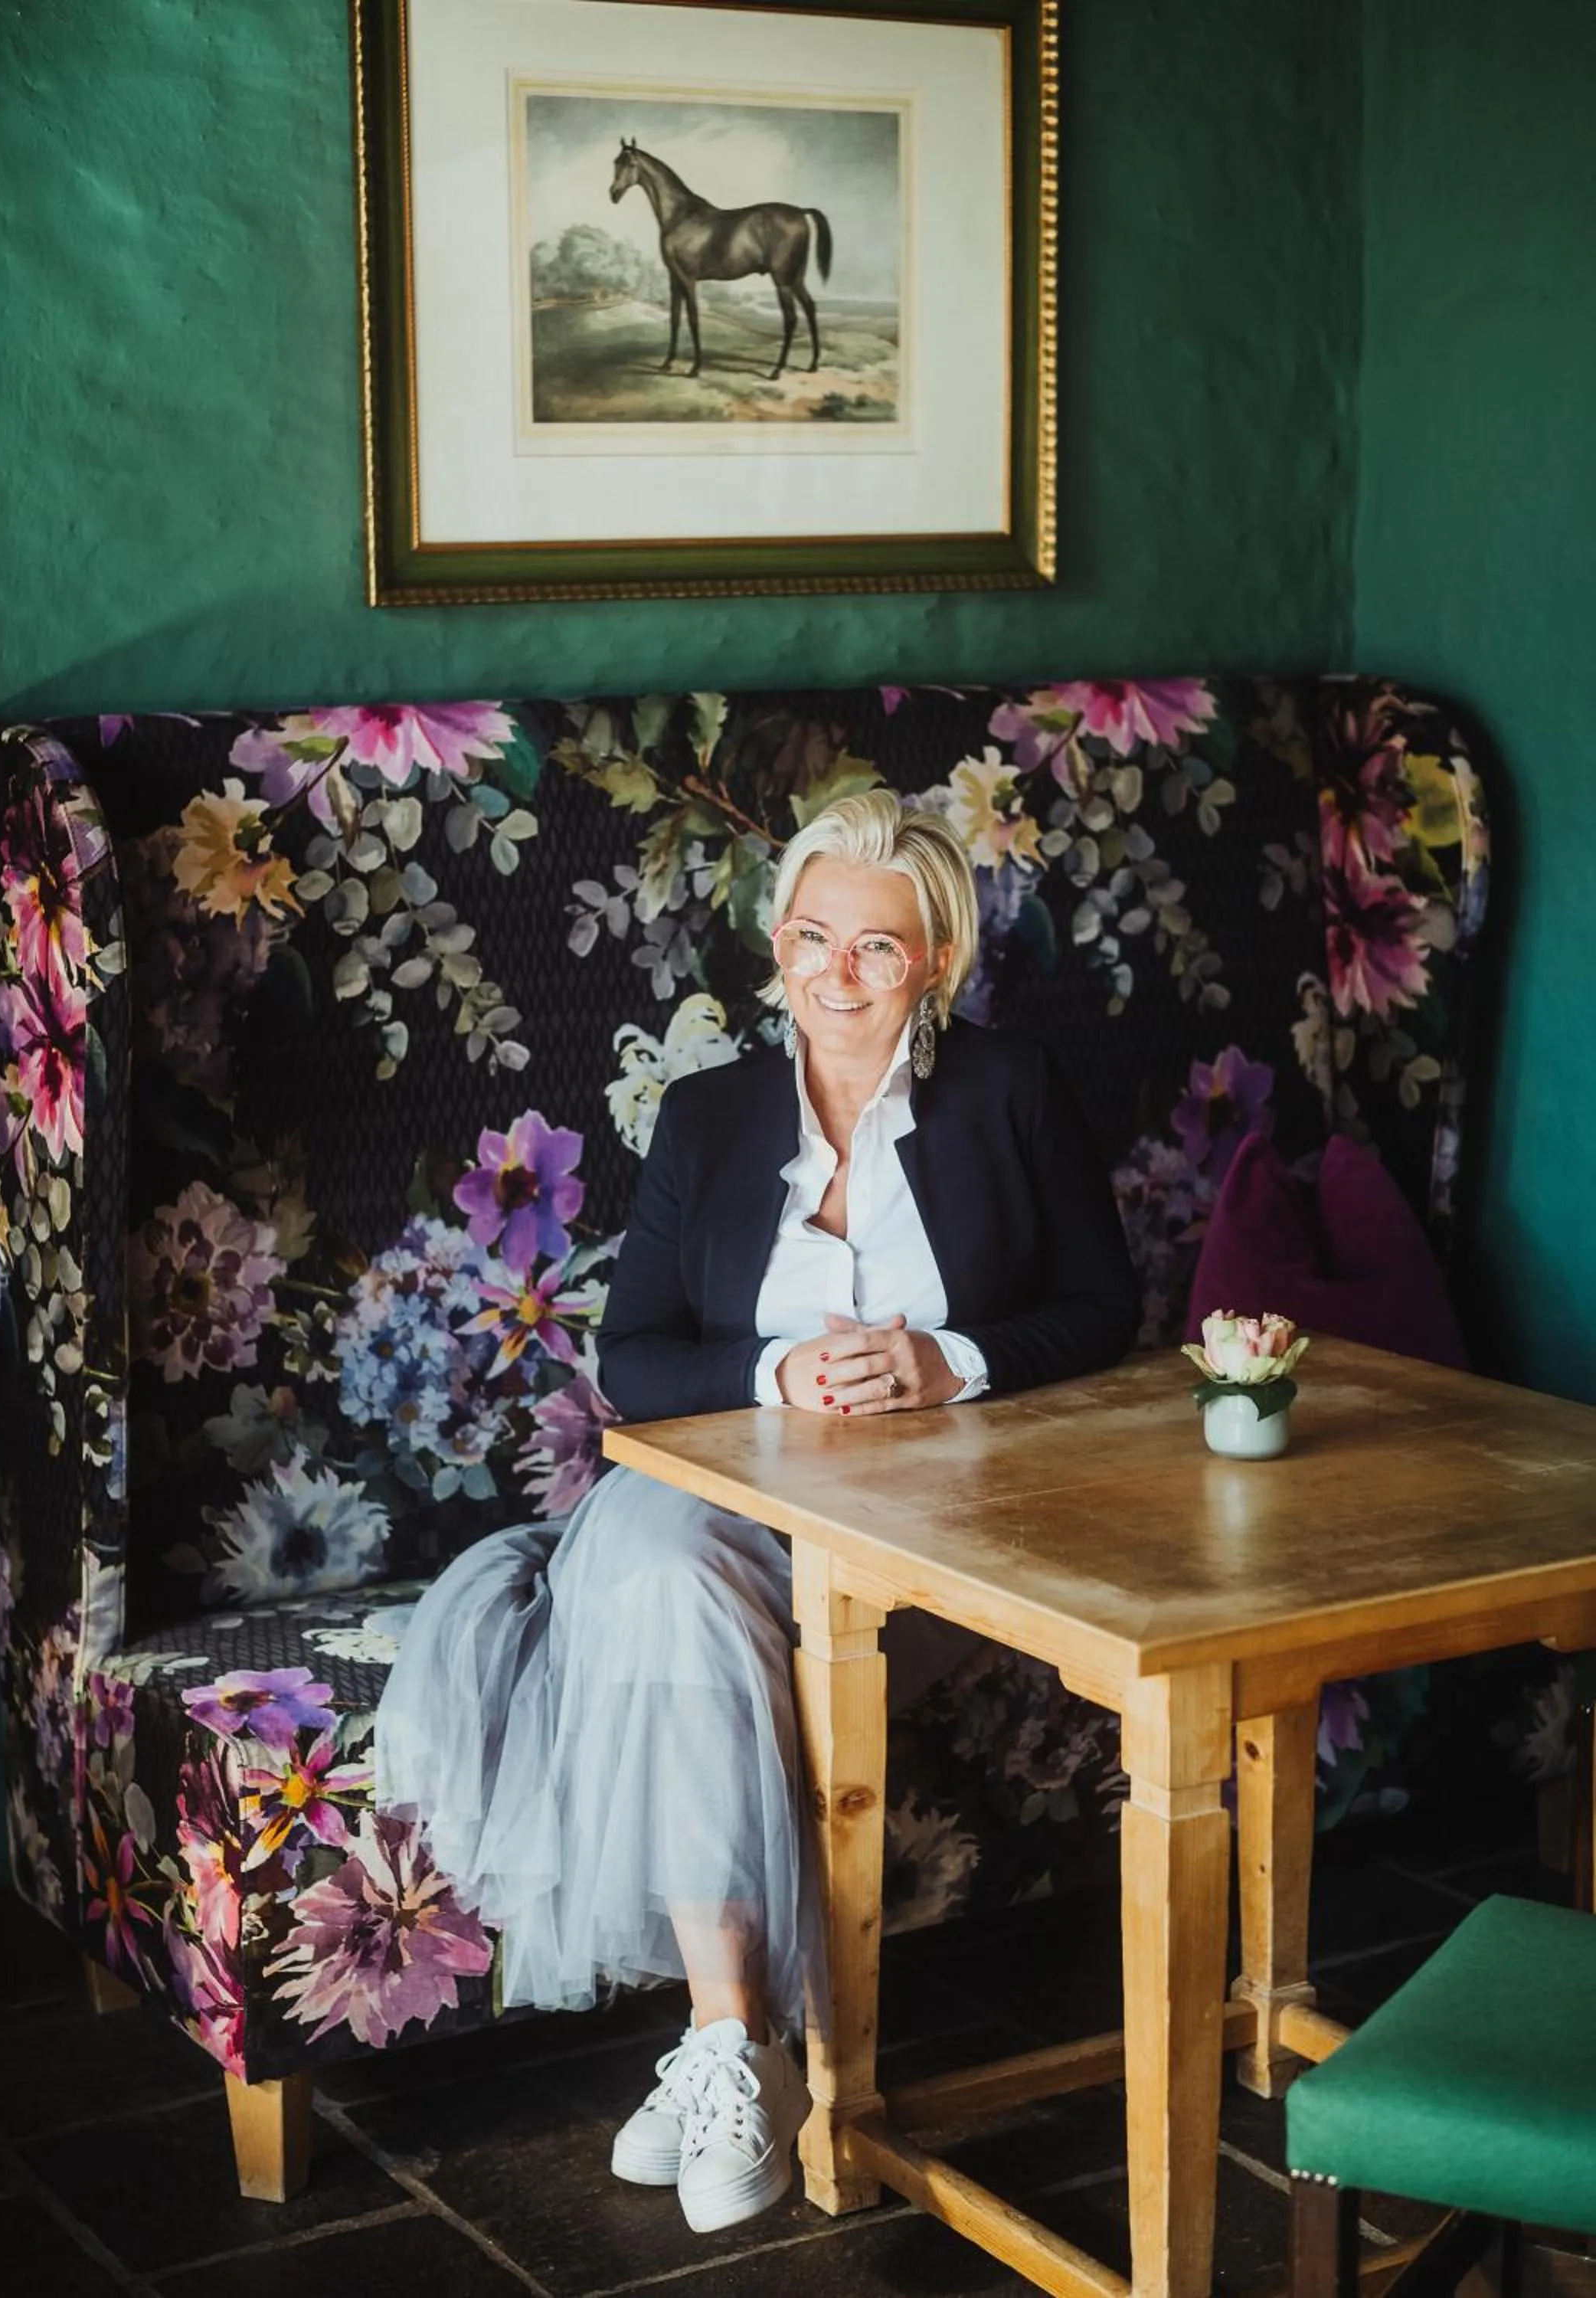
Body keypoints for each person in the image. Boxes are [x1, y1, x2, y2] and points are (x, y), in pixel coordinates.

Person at [374, 790, 1138, 2235]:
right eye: (808, 938)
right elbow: (634, 1358)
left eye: (875, 949)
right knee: (656, 1560)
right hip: (730, 1506)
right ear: (773, 945)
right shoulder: (713, 1115)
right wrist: (776, 1369)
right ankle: (734, 2044)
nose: (834, 975)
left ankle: (739, 2059)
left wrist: (946, 1361)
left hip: (932, 1527)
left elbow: (1107, 1309)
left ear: (935, 963)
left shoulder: (1011, 1091)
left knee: (681, 1609)